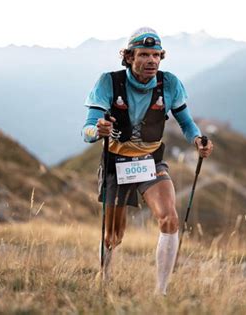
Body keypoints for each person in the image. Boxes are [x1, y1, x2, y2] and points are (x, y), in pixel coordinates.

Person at [81, 27, 213, 295]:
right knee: (113, 237)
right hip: (116, 162)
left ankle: (160, 294)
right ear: (129, 57)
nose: (151, 61)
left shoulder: (170, 84)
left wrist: (198, 140)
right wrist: (98, 131)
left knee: (169, 219)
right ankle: (104, 281)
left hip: (151, 160)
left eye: (156, 55)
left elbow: (186, 122)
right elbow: (87, 130)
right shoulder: (109, 82)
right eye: (144, 55)